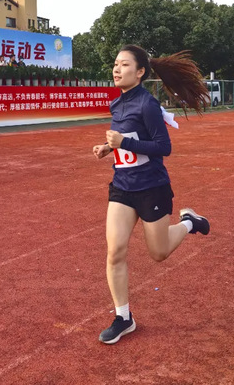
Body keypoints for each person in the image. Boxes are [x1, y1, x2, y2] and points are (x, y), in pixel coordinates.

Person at [93, 44, 210, 345]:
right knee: (115, 251)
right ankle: (124, 317)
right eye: (115, 64)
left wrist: (123, 142)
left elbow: (162, 147)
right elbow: (129, 139)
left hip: (151, 187)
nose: (117, 69)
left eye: (124, 65)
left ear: (140, 72)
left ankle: (190, 222)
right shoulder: (116, 104)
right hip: (122, 186)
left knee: (159, 253)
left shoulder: (147, 104)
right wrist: (109, 148)